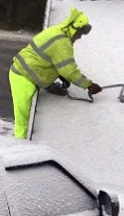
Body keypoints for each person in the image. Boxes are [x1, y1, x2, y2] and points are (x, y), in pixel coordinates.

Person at [8, 7, 102, 138]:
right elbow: (70, 71)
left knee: (24, 120)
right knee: (23, 123)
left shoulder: (57, 31)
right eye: (80, 33)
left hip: (27, 71)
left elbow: (52, 58)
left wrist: (60, 75)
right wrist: (89, 85)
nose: (80, 37)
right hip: (23, 77)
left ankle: (48, 86)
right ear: (74, 28)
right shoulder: (62, 43)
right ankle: (21, 149)